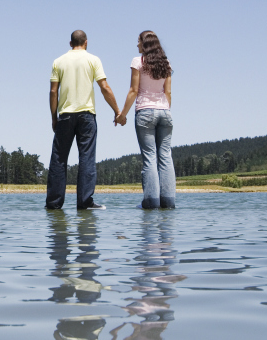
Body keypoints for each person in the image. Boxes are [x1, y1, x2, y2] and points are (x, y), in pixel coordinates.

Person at [46, 30, 121, 210]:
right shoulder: (93, 60)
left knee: (59, 158)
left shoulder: (58, 61)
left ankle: (54, 203)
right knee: (86, 158)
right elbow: (105, 87)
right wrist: (117, 111)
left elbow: (53, 92)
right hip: (87, 116)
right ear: (86, 43)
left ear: (70, 43)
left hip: (65, 115)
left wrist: (54, 117)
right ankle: (85, 202)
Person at [115, 31, 175, 209]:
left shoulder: (137, 62)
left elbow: (133, 91)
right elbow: (168, 92)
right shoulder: (166, 64)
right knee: (165, 157)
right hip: (165, 112)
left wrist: (122, 115)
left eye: (138, 42)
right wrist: (165, 108)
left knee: (149, 157)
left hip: (145, 112)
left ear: (145, 44)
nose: (137, 45)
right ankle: (169, 202)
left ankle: (151, 202)